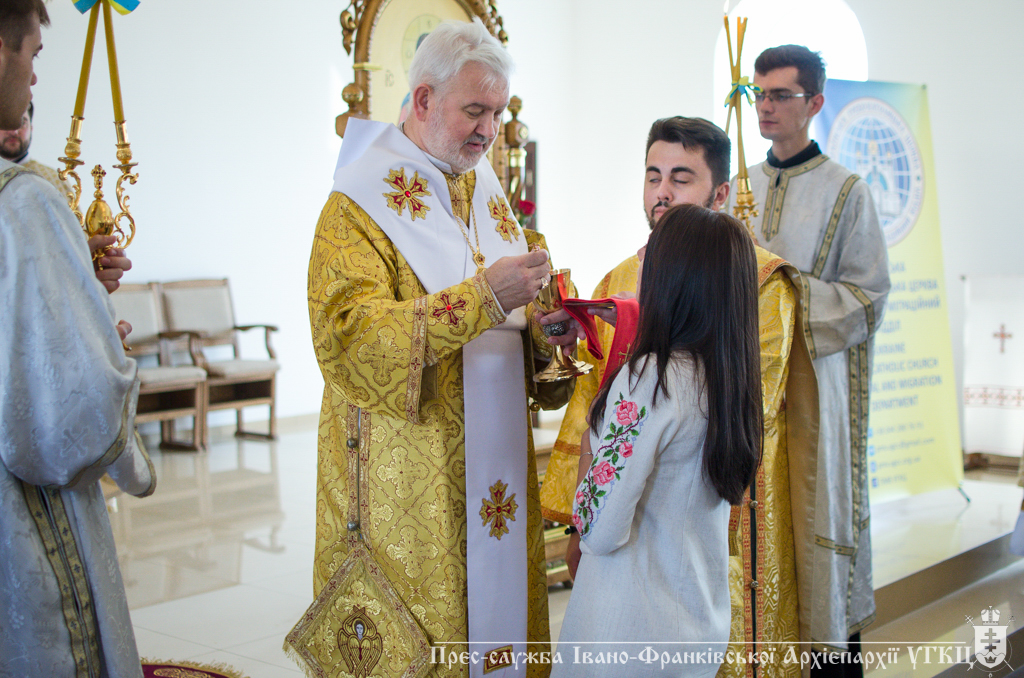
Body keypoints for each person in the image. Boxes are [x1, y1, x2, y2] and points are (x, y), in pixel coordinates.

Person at [302, 18, 566, 677]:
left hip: (496, 466)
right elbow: (349, 334)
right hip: (411, 473)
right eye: (474, 111)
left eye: (498, 114)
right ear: (423, 100)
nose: (489, 130)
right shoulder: (358, 204)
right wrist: (483, 298)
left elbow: (520, 319)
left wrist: (547, 327)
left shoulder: (486, 192)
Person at [540, 116, 818, 678]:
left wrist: (592, 465)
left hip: (628, 625)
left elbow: (602, 523)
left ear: (720, 192)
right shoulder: (693, 321)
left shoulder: (761, 285)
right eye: (653, 176)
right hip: (694, 610)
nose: (662, 192)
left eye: (681, 178)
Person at [0, 2, 155, 677]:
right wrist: (98, 341)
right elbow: (63, 411)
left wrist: (73, 283)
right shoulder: (24, 197)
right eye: (32, 55)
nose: (35, 77)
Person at [552, 204, 763, 677]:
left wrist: (590, 439)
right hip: (692, 621)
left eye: (652, 252)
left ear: (675, 278)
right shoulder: (727, 375)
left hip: (627, 632)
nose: (640, 259)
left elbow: (599, 528)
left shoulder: (653, 377)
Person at [742, 44, 891, 672]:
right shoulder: (740, 185)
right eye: (759, 94)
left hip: (814, 396)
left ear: (815, 102)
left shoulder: (847, 191)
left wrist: (786, 294)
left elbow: (868, 296)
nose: (766, 106)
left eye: (781, 95)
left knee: (813, 518)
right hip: (746, 393)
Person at [0, 100, 67, 192]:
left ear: (31, 128)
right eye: (5, 123)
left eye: (22, 123)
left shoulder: (52, 180)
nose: (14, 131)